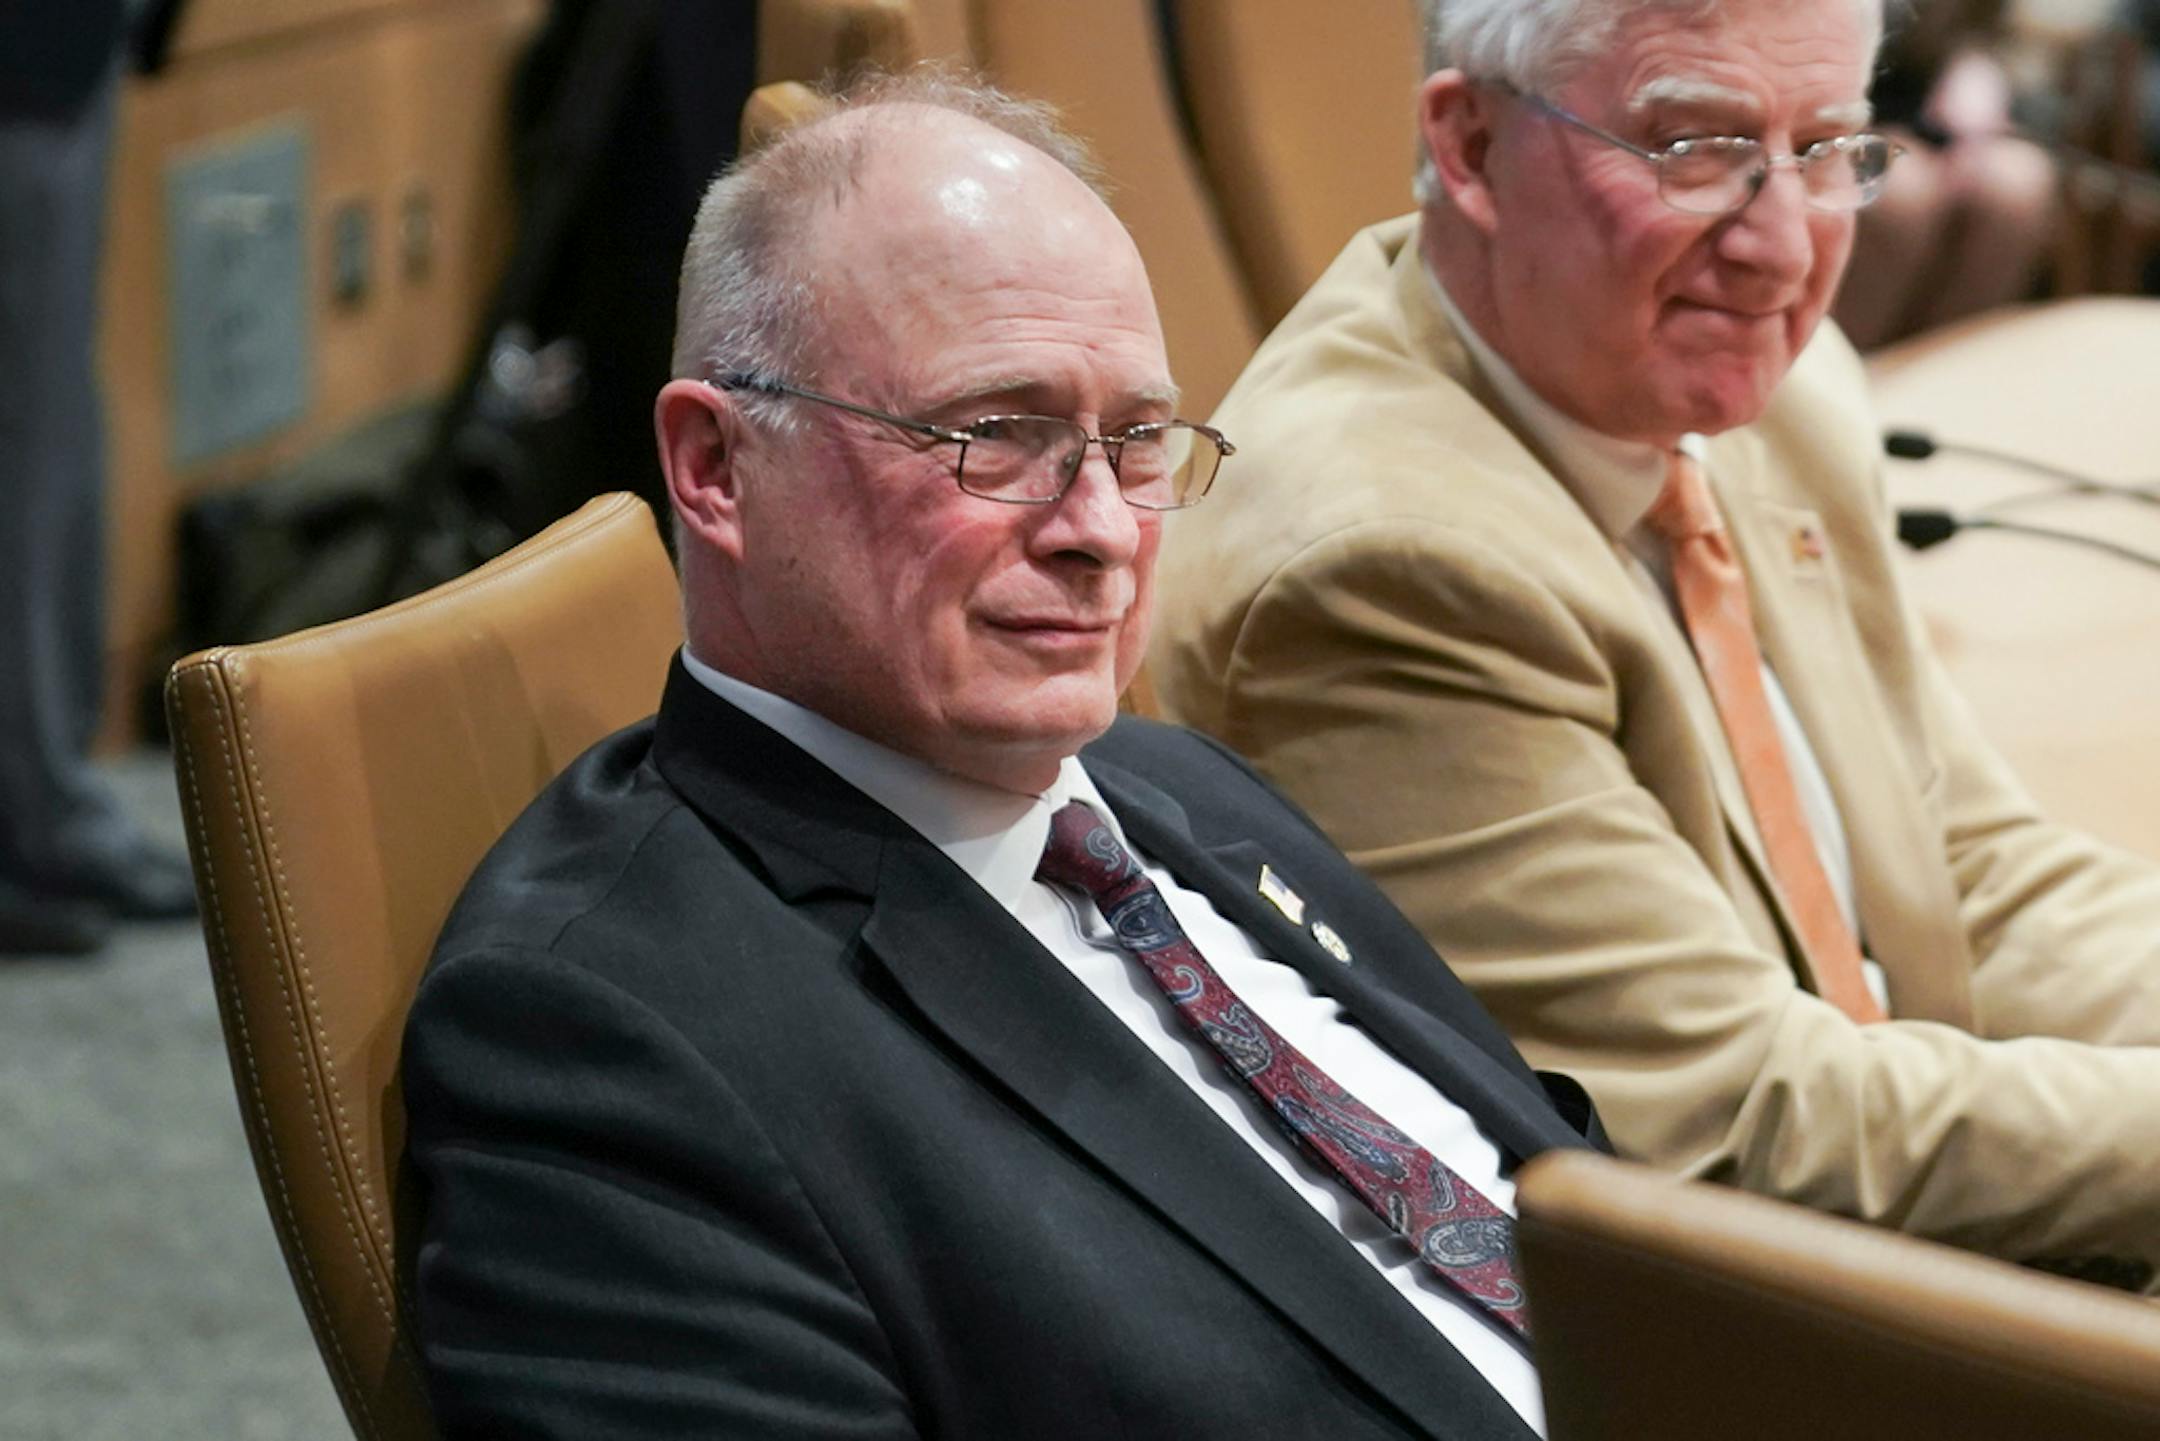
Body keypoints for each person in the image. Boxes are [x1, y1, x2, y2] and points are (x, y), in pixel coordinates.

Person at [403, 71, 1604, 1439]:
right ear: (717, 468)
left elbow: (1557, 1179)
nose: (1100, 527)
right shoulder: (605, 1037)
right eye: (997, 435)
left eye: (1137, 439)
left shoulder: (1177, 789)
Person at [1150, 0, 2160, 1289]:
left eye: (1829, 148)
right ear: (1469, 148)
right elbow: (1740, 1130)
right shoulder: (1383, 568)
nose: (1783, 249)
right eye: (1695, 147)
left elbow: (1964, 869)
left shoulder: (1762, 388)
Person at [0, 0, 197, 956]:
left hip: (68, 44)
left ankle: (50, 802)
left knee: (54, 424)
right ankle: (28, 816)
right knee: (22, 432)